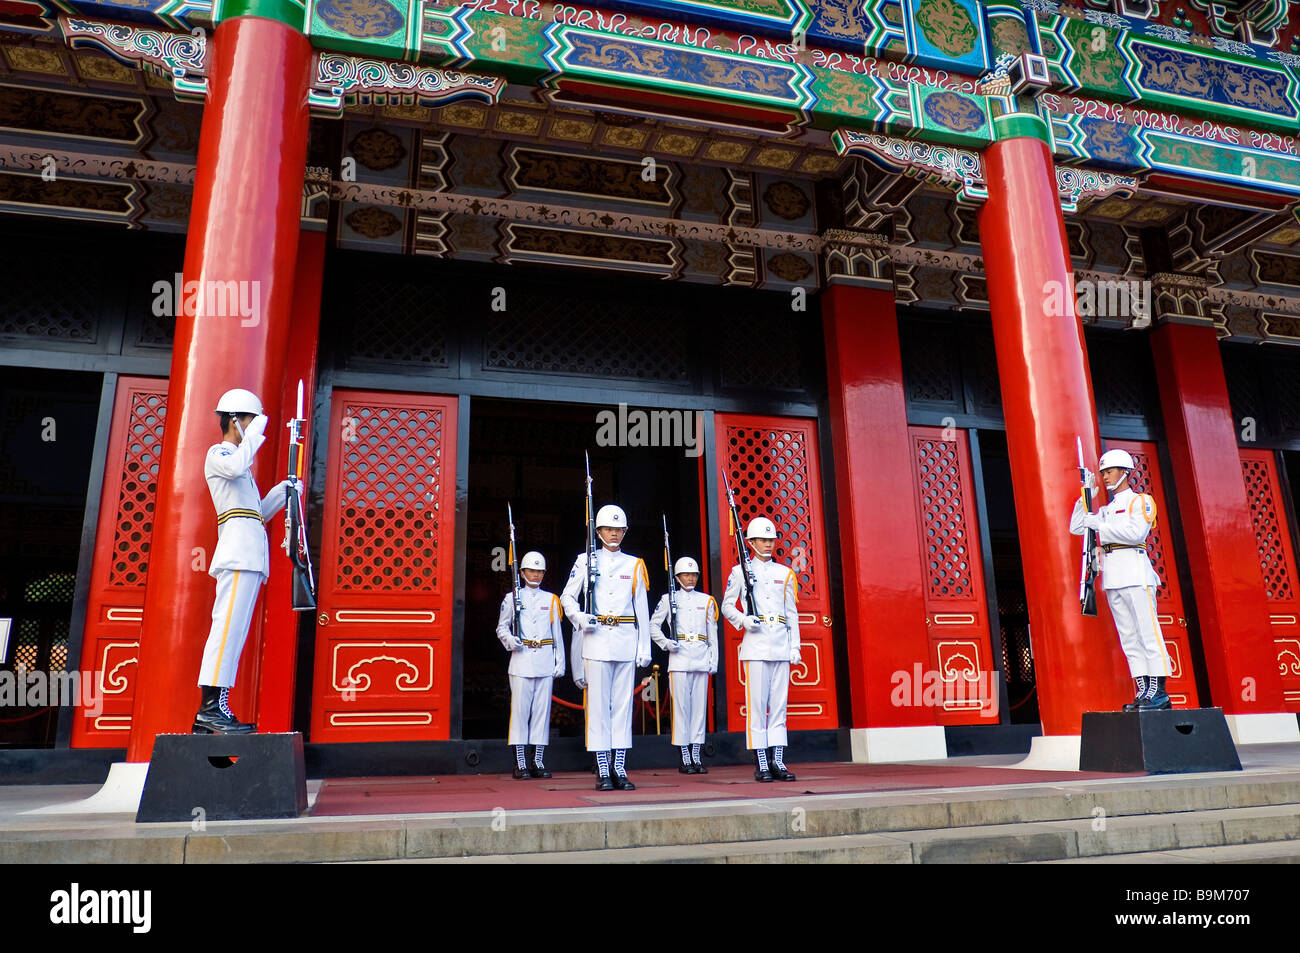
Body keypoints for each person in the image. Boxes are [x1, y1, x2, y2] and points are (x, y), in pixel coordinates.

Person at [194, 388, 300, 734]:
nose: (257, 430)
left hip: (251, 554)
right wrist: (253, 437)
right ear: (235, 420)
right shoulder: (221, 454)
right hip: (238, 555)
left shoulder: (240, 466)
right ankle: (210, 709)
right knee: (225, 630)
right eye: (252, 422)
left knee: (234, 633)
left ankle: (217, 706)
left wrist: (286, 490)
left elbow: (257, 514)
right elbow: (239, 463)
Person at [1070, 448, 1171, 711]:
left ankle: (1158, 691)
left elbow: (1134, 532)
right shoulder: (1105, 509)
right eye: (1102, 473)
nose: (1104, 476)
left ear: (1124, 472)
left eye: (1109, 471)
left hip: (1136, 574)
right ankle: (1142, 691)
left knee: (1148, 634)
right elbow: (1077, 526)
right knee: (1128, 638)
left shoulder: (1140, 501)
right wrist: (1086, 497)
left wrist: (1098, 524)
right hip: (1114, 577)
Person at [561, 504, 651, 791]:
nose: (613, 534)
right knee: (599, 708)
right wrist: (579, 618)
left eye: (618, 529)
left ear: (625, 532)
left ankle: (619, 768)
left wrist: (644, 647)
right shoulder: (585, 561)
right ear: (598, 532)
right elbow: (567, 598)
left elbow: (642, 610)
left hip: (625, 640)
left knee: (623, 708)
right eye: (608, 529)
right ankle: (602, 769)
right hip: (597, 640)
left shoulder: (634, 564)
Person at [721, 517, 800, 782]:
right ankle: (761, 762)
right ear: (751, 543)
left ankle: (778, 760)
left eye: (770, 540)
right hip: (755, 645)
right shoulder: (739, 571)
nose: (767, 544)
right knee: (757, 705)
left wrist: (795, 647)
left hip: (779, 644)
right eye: (762, 540)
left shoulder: (785, 573)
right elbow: (727, 606)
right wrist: (744, 620)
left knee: (779, 706)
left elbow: (792, 614)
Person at [496, 551, 565, 779]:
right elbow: (502, 627)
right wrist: (510, 641)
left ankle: (538, 761)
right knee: (520, 713)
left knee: (541, 714)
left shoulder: (551, 600)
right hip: (522, 659)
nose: (535, 575)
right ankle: (520, 762)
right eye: (531, 571)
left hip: (544, 659)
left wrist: (560, 662)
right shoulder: (512, 598)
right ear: (522, 573)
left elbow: (557, 635)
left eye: (539, 571)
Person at [649, 556, 717, 774]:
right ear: (677, 577)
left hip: (700, 656)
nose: (691, 578)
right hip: (679, 659)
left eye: (694, 574)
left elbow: (712, 635)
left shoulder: (706, 600)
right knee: (681, 709)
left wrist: (713, 660)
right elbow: (654, 626)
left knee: (699, 709)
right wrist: (666, 643)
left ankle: (696, 754)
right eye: (686, 575)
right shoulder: (668, 599)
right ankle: (684, 755)